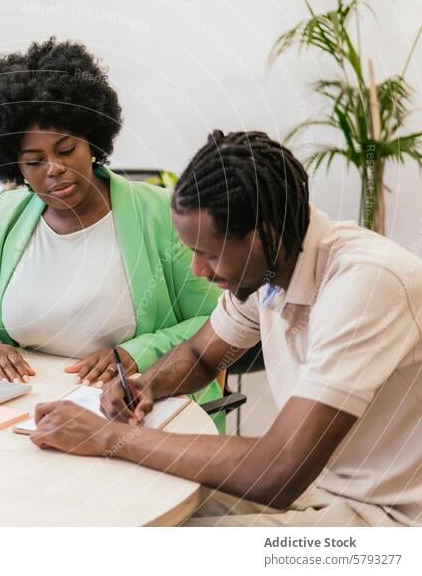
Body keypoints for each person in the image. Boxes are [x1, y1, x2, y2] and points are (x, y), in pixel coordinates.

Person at [29, 130, 422, 527]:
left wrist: (108, 437)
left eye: (209, 254)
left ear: (263, 236)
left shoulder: (367, 283)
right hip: (317, 489)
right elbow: (201, 355)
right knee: (113, 506)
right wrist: (146, 384)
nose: (198, 270)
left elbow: (278, 471)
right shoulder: (272, 264)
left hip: (384, 517)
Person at [0, 38, 224, 430]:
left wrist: (134, 353)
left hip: (137, 408)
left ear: (91, 140)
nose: (54, 168)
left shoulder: (159, 212)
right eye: (34, 161)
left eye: (66, 149)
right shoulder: (11, 214)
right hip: (28, 412)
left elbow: (218, 321)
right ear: (14, 167)